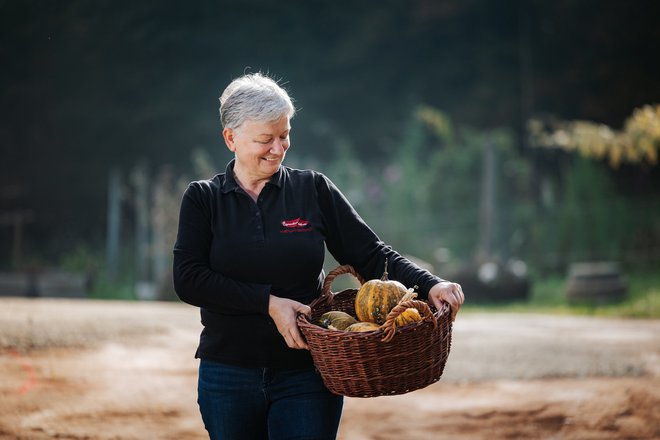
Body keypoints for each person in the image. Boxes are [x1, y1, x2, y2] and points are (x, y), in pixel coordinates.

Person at [173, 72, 465, 440]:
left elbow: (372, 255)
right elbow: (188, 278)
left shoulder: (312, 189)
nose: (278, 148)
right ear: (231, 138)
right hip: (228, 374)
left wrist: (429, 284)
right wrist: (269, 303)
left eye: (285, 135)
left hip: (306, 374)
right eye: (265, 139)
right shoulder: (203, 199)